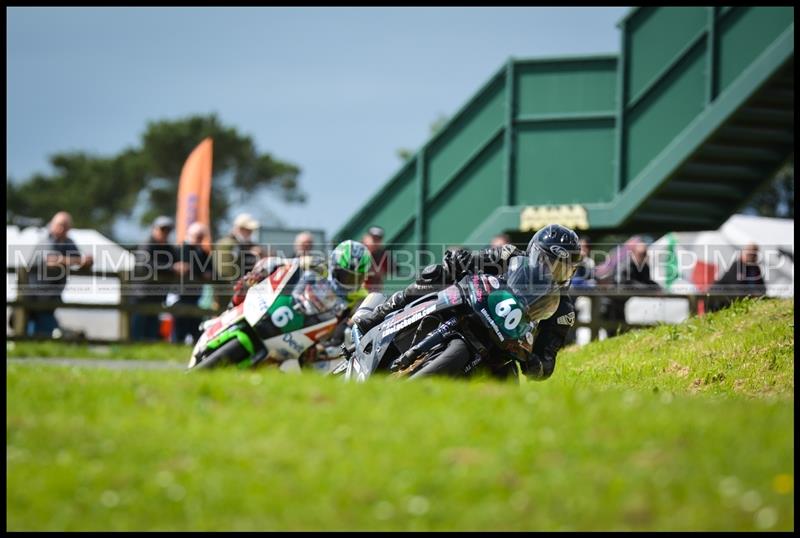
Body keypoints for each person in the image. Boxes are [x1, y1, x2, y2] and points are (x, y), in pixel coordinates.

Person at [352, 223, 582, 381]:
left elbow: (548, 358)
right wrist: (461, 259)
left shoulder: (563, 311)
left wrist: (536, 365)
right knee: (436, 273)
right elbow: (474, 261)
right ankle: (380, 314)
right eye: (545, 262)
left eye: (559, 268)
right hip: (475, 305)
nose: (549, 272)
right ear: (532, 252)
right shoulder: (509, 256)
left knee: (508, 390)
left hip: (504, 348)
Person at [229, 239, 373, 367]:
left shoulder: (360, 297)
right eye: (344, 275)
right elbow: (281, 263)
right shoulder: (316, 264)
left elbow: (357, 325)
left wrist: (326, 345)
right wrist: (259, 272)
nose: (347, 282)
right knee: (245, 288)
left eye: (355, 278)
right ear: (333, 265)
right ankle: (231, 308)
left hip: (312, 338)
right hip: (288, 307)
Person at [25, 211, 93, 337]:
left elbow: (81, 260)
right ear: (52, 225)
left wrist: (87, 262)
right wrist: (78, 261)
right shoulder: (46, 240)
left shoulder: (68, 243)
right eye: (59, 225)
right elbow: (51, 260)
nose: (62, 229)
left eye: (65, 226)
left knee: (44, 330)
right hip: (33, 296)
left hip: (50, 297)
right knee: (34, 330)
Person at [129, 216, 187, 341]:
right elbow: (145, 265)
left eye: (168, 230)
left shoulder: (169, 248)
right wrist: (171, 268)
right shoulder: (146, 245)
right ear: (154, 229)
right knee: (138, 330)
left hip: (158, 295)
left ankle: (148, 353)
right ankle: (134, 352)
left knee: (152, 330)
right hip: (142, 295)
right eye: (162, 229)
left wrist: (182, 266)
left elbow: (178, 262)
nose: (165, 233)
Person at [597, 236, 659, 337]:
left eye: (645, 254)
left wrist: (657, 288)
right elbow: (625, 283)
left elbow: (647, 281)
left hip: (624, 304)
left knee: (622, 333)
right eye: (642, 254)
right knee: (613, 334)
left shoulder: (644, 266)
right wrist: (648, 288)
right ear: (633, 253)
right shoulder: (624, 265)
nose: (644, 256)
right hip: (611, 304)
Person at [173, 222, 213, 344]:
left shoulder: (203, 252)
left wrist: (205, 272)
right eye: (197, 236)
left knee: (195, 328)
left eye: (202, 236)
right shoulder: (182, 249)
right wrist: (203, 273)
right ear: (190, 235)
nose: (200, 239)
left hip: (196, 297)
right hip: (181, 296)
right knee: (181, 327)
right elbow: (190, 267)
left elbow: (211, 269)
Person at [213, 213, 262, 304]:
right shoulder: (228, 244)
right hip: (230, 294)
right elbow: (228, 272)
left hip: (240, 292)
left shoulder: (245, 245)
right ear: (240, 229)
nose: (250, 233)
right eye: (247, 230)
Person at [707, 243, 766, 312]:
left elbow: (761, 287)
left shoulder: (755, 269)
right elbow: (736, 286)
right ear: (743, 252)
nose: (751, 255)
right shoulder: (737, 265)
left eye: (754, 253)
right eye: (749, 252)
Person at [362, 226, 390, 293]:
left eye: (378, 239)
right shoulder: (356, 250)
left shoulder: (382, 255)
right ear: (365, 238)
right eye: (373, 238)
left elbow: (393, 269)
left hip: (373, 294)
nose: (375, 242)